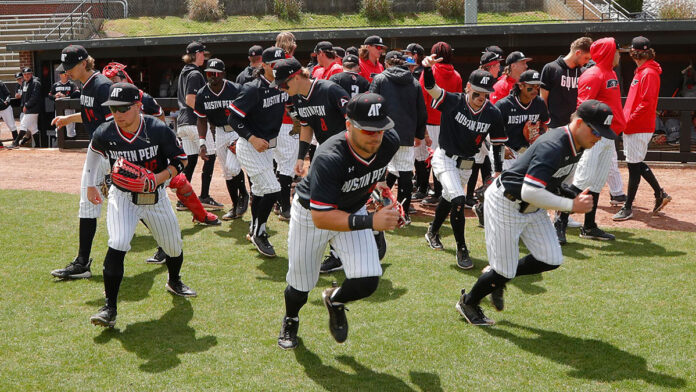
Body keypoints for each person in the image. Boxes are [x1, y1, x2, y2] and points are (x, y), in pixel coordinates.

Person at [456, 100, 612, 325]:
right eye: (596, 131)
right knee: (504, 270)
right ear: (579, 123)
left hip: (531, 206)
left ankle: (497, 277)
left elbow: (551, 181)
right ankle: (468, 302)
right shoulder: (555, 144)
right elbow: (530, 191)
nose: (599, 138)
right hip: (506, 203)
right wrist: (571, 206)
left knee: (551, 258)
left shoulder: (578, 143)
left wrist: (569, 193)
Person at [277, 92, 401, 350]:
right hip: (312, 216)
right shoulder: (329, 156)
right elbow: (322, 217)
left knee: (368, 278)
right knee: (301, 284)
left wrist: (383, 198)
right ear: (348, 125)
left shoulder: (390, 142)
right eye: (367, 130)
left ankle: (334, 300)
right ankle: (291, 319)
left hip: (353, 208)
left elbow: (375, 174)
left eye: (380, 129)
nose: (376, 136)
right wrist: (371, 221)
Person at [85, 82, 197, 327]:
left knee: (173, 246)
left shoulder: (157, 129)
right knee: (118, 242)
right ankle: (109, 308)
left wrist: (157, 178)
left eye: (123, 109)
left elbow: (181, 160)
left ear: (138, 106)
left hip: (155, 196)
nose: (118, 115)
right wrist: (91, 184)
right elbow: (93, 153)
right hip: (122, 196)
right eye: (113, 109)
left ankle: (174, 280)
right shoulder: (106, 132)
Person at [421, 54, 506, 270]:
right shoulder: (454, 100)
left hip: (467, 164)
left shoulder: (492, 113)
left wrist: (497, 171)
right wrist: (428, 69)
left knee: (450, 199)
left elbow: (498, 144)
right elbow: (431, 88)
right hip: (445, 158)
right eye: (477, 92)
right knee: (459, 199)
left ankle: (432, 231)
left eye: (486, 94)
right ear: (468, 87)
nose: (481, 97)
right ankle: (462, 248)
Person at [49, 45, 114, 280]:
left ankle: (163, 247)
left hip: (109, 152)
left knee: (130, 200)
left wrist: (112, 162)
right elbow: (91, 114)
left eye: (70, 67)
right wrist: (68, 119)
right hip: (96, 150)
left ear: (84, 63)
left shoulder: (102, 85)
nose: (66, 72)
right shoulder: (87, 85)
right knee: (87, 203)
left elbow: (114, 124)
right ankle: (82, 262)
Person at [227, 46, 288, 257]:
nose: (278, 68)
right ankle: (260, 233)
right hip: (250, 146)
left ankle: (254, 229)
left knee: (261, 192)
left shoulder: (282, 86)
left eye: (282, 64)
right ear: (264, 65)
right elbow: (233, 118)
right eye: (274, 65)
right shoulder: (253, 88)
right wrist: (251, 138)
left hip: (268, 147)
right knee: (273, 190)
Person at [568, 37, 627, 241]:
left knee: (597, 181)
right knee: (582, 179)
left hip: (608, 135)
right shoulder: (593, 74)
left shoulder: (609, 72)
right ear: (608, 52)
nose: (619, 54)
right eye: (616, 50)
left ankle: (589, 226)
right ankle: (559, 223)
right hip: (593, 136)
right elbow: (583, 108)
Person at [613, 36, 671, 221]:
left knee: (633, 166)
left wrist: (628, 121)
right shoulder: (643, 71)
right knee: (635, 163)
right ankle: (659, 194)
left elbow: (646, 104)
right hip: (634, 125)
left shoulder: (649, 73)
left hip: (638, 125)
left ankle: (628, 207)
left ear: (635, 53)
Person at [540, 37, 593, 239]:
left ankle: (561, 215)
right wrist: (545, 124)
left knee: (569, 174)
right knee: (550, 172)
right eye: (586, 57)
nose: (587, 61)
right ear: (578, 52)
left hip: (574, 130)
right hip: (554, 127)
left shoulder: (581, 72)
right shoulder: (551, 68)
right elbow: (542, 99)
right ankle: (542, 212)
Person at [369, 50, 427, 224]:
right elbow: (421, 112)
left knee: (378, 171)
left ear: (387, 63)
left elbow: (371, 105)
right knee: (405, 173)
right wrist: (418, 134)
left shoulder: (380, 79)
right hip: (406, 135)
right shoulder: (414, 82)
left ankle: (381, 208)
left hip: (382, 133)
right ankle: (404, 213)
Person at [194, 58, 249, 221]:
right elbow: (201, 119)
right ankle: (234, 206)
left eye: (217, 73)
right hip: (218, 132)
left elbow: (248, 112)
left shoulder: (235, 89)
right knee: (227, 172)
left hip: (236, 131)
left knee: (232, 167)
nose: (213, 76)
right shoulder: (202, 93)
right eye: (210, 73)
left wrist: (245, 133)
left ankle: (244, 195)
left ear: (223, 73)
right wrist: (202, 142)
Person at [176, 41, 223, 211]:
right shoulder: (195, 74)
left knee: (191, 161)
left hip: (182, 124)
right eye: (203, 53)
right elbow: (190, 100)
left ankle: (183, 200)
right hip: (194, 123)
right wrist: (207, 113)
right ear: (196, 54)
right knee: (210, 155)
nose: (205, 56)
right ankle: (204, 196)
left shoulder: (184, 72)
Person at [418, 42, 462, 206]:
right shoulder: (456, 74)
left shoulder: (430, 71)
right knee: (443, 158)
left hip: (430, 121)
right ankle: (439, 191)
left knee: (427, 158)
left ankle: (432, 192)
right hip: (448, 123)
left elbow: (422, 98)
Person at [273, 31, 301, 222]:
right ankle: (284, 207)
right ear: (292, 45)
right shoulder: (292, 63)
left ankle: (277, 203)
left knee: (277, 163)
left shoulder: (270, 64)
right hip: (288, 121)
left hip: (271, 122)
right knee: (287, 168)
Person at [11, 67, 41, 148]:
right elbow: (24, 96)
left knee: (23, 125)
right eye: (25, 74)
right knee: (33, 128)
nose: (26, 76)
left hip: (33, 108)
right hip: (27, 108)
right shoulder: (25, 83)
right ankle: (38, 145)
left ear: (31, 74)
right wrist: (23, 106)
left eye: (28, 74)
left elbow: (34, 97)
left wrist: (26, 105)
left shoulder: (36, 83)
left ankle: (16, 143)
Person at [49, 67, 80, 138]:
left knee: (70, 126)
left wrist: (66, 96)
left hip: (69, 107)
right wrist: (55, 96)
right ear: (60, 75)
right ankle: (59, 141)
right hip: (59, 108)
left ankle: (71, 141)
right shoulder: (56, 85)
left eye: (66, 74)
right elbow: (50, 95)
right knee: (58, 124)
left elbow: (77, 93)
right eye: (64, 74)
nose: (66, 76)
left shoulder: (72, 84)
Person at [0, 79, 18, 148]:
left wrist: (6, 101)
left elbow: (8, 94)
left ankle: (16, 142)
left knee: (11, 125)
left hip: (6, 108)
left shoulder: (1, 83)